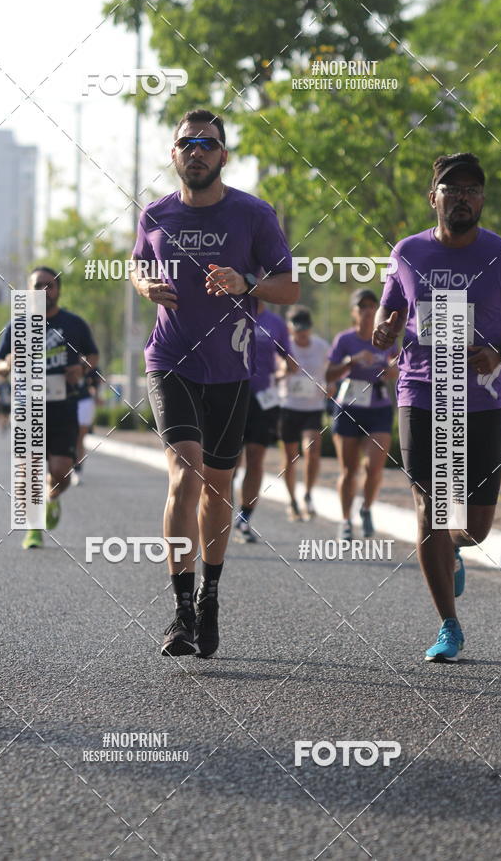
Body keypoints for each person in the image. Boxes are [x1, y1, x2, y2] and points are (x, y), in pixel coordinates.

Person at [130, 108, 298, 659]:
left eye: (207, 143)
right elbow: (136, 264)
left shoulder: (252, 214)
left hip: (230, 369)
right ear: (174, 155)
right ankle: (180, 609)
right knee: (185, 473)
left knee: (217, 488)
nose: (196, 151)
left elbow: (288, 289)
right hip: (170, 360)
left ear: (224, 154)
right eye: (186, 144)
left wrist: (246, 280)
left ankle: (210, 595)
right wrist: (145, 285)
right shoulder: (154, 214)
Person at [373, 152, 501, 662]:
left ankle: (457, 548)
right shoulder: (408, 252)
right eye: (452, 188)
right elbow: (391, 307)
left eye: (472, 188)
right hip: (422, 392)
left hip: (483, 399)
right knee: (430, 505)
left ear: (482, 199)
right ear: (434, 197)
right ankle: (449, 624)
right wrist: (384, 327)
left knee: (477, 525)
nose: (462, 196)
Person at [0, 267, 99, 549]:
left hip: (64, 408)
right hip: (28, 408)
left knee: (61, 471)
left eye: (48, 285)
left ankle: (52, 498)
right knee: (29, 471)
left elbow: (93, 355)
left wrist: (82, 369)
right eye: (37, 285)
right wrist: (7, 364)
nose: (43, 290)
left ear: (58, 290)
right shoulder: (17, 326)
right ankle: (34, 528)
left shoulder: (74, 324)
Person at [326, 289, 398, 540]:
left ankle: (366, 508)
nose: (367, 310)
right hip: (349, 406)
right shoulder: (344, 340)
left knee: (374, 467)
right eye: (362, 306)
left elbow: (397, 366)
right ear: (353, 312)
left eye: (372, 306)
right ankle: (345, 521)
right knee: (349, 469)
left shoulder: (387, 339)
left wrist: (392, 369)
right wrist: (351, 361)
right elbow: (329, 375)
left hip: (378, 407)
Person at [234, 300, 296, 543]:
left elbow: (289, 360)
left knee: (256, 457)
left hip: (263, 399)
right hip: (232, 395)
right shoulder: (231, 313)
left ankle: (244, 518)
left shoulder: (275, 323)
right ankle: (217, 512)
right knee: (231, 461)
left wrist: (282, 372)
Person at [278, 306, 330, 521]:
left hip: (312, 407)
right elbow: (272, 375)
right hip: (288, 406)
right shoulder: (283, 346)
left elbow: (331, 371)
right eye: (297, 329)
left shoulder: (321, 346)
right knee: (290, 457)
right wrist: (284, 369)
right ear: (290, 329)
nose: (302, 333)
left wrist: (332, 384)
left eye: (305, 329)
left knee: (312, 450)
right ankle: (291, 500)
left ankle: (308, 494)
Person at [72, 366, 101, 486]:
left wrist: (95, 394)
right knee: (69, 436)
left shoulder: (89, 362)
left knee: (80, 438)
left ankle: (77, 470)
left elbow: (96, 381)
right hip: (66, 400)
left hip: (84, 402)